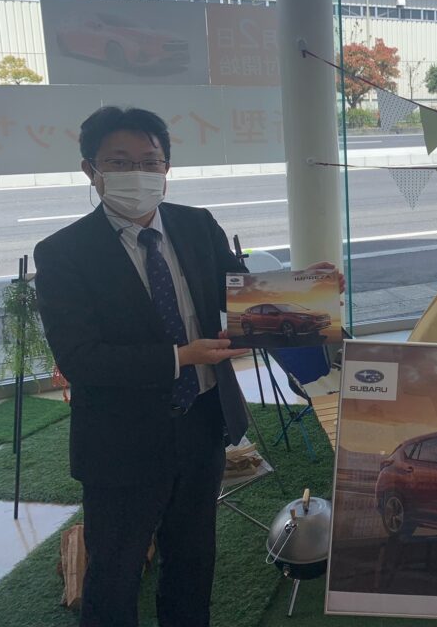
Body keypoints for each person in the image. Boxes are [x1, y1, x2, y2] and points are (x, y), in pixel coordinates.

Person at [34, 106, 342, 627]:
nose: (137, 173)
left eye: (149, 161)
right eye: (119, 162)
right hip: (121, 439)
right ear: (91, 170)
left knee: (193, 556)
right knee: (115, 569)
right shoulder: (64, 253)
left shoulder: (196, 225)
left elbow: (241, 296)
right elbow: (81, 359)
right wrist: (181, 356)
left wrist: (307, 290)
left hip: (201, 422)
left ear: (167, 168)